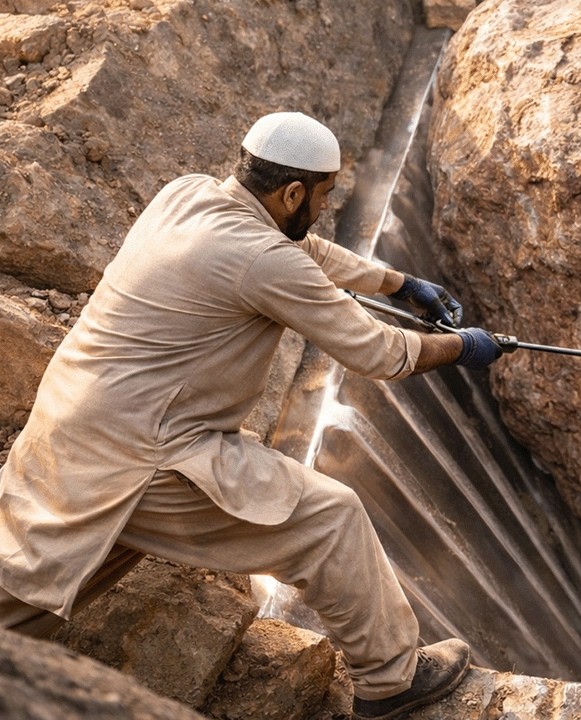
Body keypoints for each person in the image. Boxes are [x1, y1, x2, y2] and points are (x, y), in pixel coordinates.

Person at [0, 111, 503, 719]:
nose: (322, 206)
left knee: (27, 587)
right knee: (330, 519)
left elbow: (304, 246)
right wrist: (465, 347)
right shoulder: (262, 259)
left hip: (74, 429)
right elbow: (381, 353)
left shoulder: (185, 195)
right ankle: (391, 683)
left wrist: (397, 283)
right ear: (293, 192)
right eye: (323, 195)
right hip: (146, 455)